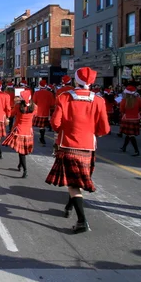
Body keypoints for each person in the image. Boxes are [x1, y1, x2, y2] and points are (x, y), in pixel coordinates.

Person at [46, 67, 110, 233]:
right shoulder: (99, 100)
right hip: (88, 146)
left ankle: (82, 220)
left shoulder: (64, 97)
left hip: (67, 144)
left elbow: (55, 123)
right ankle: (69, 206)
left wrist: (64, 129)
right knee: (76, 182)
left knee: (73, 184)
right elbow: (104, 129)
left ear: (76, 80)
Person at [3, 90, 36, 178]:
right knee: (23, 151)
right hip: (28, 131)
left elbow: (11, 114)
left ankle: (25, 169)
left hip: (19, 130)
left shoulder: (18, 106)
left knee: (21, 151)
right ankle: (20, 164)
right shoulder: (35, 107)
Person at [119, 86, 141, 156]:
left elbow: (121, 110)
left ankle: (136, 151)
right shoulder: (138, 99)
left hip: (127, 119)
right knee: (129, 134)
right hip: (136, 118)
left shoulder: (124, 100)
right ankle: (124, 147)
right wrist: (140, 114)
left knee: (131, 135)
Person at [32, 79, 55, 146]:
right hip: (46, 112)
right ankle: (42, 138)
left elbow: (34, 102)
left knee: (41, 127)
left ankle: (42, 138)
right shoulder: (50, 93)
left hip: (38, 112)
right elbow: (52, 104)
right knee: (43, 127)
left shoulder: (36, 93)